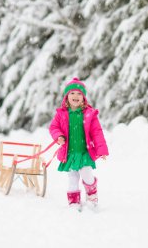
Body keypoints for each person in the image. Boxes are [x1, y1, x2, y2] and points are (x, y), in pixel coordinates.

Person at [49, 77, 109, 209]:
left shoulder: (89, 114)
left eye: (79, 94)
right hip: (70, 153)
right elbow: (53, 127)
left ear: (83, 98)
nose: (75, 96)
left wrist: (102, 150)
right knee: (72, 178)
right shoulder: (62, 114)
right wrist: (58, 136)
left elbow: (97, 132)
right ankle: (74, 203)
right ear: (66, 97)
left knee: (87, 174)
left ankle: (92, 197)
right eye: (72, 93)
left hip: (84, 153)